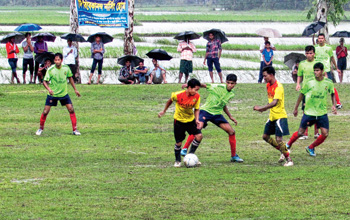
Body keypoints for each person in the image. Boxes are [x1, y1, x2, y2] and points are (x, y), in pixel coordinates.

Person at [180, 74, 244, 163]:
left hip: (217, 114)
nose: (229, 85)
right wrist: (189, 86)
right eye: (228, 83)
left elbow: (223, 104)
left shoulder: (231, 94)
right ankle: (184, 148)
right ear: (226, 82)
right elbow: (204, 85)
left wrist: (230, 116)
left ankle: (233, 156)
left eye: (232, 83)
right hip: (205, 111)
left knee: (231, 132)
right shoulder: (219, 87)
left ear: (235, 84)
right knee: (197, 128)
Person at [286, 62, 337, 157]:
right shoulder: (309, 82)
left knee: (325, 134)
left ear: (322, 71)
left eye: (317, 70)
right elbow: (301, 94)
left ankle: (311, 147)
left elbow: (332, 93)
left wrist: (334, 105)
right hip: (309, 112)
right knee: (301, 132)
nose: (315, 72)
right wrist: (296, 108)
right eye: (314, 70)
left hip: (322, 112)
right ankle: (288, 144)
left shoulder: (328, 82)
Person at [253, 66, 293, 167]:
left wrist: (262, 108)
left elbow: (275, 103)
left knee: (279, 139)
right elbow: (270, 101)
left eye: (265, 76)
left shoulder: (279, 87)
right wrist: (265, 108)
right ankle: (283, 151)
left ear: (271, 75)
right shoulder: (268, 85)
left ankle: (289, 160)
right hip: (272, 116)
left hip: (280, 116)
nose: (264, 78)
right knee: (265, 137)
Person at [158, 78, 202, 168]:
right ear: (189, 88)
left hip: (190, 120)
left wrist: (197, 119)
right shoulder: (178, 95)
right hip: (179, 121)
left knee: (199, 136)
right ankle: (178, 160)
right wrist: (164, 111)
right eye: (195, 89)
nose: (196, 92)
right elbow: (170, 100)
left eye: (197, 90)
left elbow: (197, 109)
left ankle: (190, 156)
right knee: (179, 143)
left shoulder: (197, 96)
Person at [35, 53, 81, 136]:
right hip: (53, 94)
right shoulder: (51, 69)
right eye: (55, 60)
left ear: (61, 60)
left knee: (71, 109)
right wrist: (49, 89)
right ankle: (40, 128)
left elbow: (70, 78)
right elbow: (44, 81)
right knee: (45, 112)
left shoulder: (66, 68)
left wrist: (75, 90)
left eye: (58, 60)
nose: (56, 61)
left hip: (64, 94)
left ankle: (75, 129)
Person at [296, 45, 318, 140]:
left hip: (316, 90)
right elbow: (300, 75)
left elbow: (322, 75)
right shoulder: (302, 64)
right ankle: (305, 133)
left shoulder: (317, 63)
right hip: (306, 91)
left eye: (311, 53)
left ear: (314, 54)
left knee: (317, 110)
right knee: (306, 111)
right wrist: (298, 84)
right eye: (307, 53)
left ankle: (316, 132)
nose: (309, 55)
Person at [315, 33, 342, 109]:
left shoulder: (328, 48)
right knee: (317, 87)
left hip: (326, 70)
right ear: (318, 40)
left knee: (331, 87)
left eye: (322, 38)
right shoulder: (315, 48)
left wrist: (337, 68)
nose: (320, 40)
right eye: (319, 38)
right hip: (318, 71)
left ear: (324, 39)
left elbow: (332, 58)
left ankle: (338, 102)